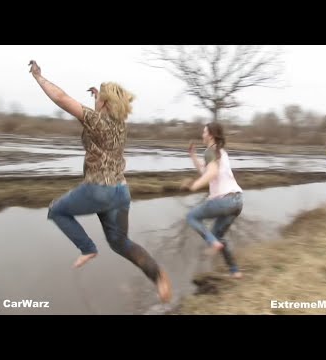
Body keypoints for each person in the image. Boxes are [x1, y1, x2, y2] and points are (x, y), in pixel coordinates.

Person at [28, 60, 172, 303]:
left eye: (99, 99)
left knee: (56, 210)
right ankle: (158, 277)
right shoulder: (121, 126)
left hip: (99, 190)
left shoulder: (96, 121)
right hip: (121, 192)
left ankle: (87, 248)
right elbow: (102, 119)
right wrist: (99, 96)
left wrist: (39, 78)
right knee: (120, 243)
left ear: (104, 103)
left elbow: (62, 98)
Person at [181, 122, 243, 279]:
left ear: (210, 135)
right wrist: (193, 156)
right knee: (218, 236)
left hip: (224, 201)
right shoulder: (220, 152)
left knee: (191, 217)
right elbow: (205, 171)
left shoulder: (210, 151)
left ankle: (213, 243)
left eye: (204, 132)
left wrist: (194, 185)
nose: (202, 135)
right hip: (237, 201)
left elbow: (212, 173)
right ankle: (235, 270)